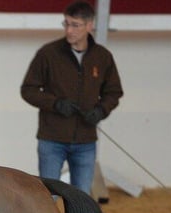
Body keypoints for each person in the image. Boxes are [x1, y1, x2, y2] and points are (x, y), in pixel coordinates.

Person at [21, 1, 123, 200]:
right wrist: (55, 103)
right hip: (51, 140)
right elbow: (28, 90)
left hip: (86, 142)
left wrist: (101, 111)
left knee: (82, 200)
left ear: (89, 26)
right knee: (48, 199)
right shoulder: (48, 54)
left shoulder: (102, 57)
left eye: (75, 25)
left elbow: (114, 92)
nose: (69, 30)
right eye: (66, 24)